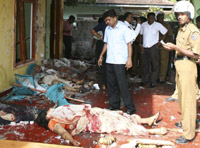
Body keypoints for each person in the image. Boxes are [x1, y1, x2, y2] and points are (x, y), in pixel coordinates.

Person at [36, 104, 166, 146]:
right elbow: (63, 132)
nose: (50, 109)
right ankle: (154, 132)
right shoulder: (53, 122)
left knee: (118, 115)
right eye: (48, 111)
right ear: (46, 117)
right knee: (117, 124)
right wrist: (73, 141)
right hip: (89, 121)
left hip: (90, 113)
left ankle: (146, 121)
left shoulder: (57, 113)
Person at [162, 1, 200, 144]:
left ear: (189, 15)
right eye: (178, 14)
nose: (179, 17)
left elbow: (196, 54)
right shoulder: (181, 29)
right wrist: (172, 48)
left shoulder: (193, 31)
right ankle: (186, 123)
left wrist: (176, 49)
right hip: (180, 65)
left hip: (188, 66)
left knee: (189, 100)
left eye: (183, 14)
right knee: (182, 98)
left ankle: (189, 134)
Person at [98, 9, 137, 114]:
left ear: (115, 18)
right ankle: (114, 105)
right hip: (110, 60)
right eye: (106, 21)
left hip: (120, 61)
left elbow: (129, 44)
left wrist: (129, 59)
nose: (107, 22)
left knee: (122, 85)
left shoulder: (124, 28)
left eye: (108, 20)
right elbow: (106, 43)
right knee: (111, 85)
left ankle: (130, 108)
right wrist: (101, 56)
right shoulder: (107, 29)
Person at [139, 12, 167, 88]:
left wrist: (160, 42)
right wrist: (140, 44)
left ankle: (153, 82)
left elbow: (165, 32)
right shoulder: (143, 25)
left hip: (153, 47)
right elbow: (141, 35)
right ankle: (144, 80)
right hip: (145, 47)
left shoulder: (157, 25)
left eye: (153, 18)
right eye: (150, 18)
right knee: (144, 65)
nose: (152, 19)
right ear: (147, 18)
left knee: (154, 65)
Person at [156, 11, 173, 84]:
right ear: (157, 18)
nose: (162, 19)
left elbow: (170, 35)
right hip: (155, 46)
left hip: (164, 46)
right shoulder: (154, 24)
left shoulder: (167, 25)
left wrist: (172, 45)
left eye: (163, 17)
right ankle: (156, 77)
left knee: (164, 63)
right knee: (156, 63)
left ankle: (162, 78)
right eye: (160, 17)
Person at [91, 17, 107, 89]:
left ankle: (100, 69)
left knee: (101, 61)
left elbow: (94, 36)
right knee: (103, 62)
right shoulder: (103, 25)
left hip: (102, 44)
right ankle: (104, 81)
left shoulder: (103, 26)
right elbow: (93, 33)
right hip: (103, 44)